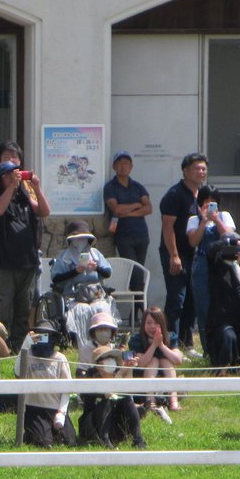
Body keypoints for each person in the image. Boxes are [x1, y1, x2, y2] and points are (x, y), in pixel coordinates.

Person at [0, 158, 49, 350]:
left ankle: (18, 346)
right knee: (3, 308)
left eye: (18, 173)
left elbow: (45, 211)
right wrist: (11, 187)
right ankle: (0, 345)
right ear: (2, 178)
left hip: (27, 264)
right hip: (5, 264)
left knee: (23, 308)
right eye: (11, 174)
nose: (17, 177)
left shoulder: (26, 200)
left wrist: (36, 187)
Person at [159, 152, 208, 351]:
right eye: (197, 168)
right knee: (176, 300)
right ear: (185, 171)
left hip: (195, 255)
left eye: (204, 168)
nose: (201, 172)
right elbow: (167, 227)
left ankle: (187, 343)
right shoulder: (174, 194)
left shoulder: (202, 195)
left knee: (192, 300)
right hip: (176, 254)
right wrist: (174, 255)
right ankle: (171, 343)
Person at [202, 235, 240, 373]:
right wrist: (230, 242)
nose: (232, 252)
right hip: (223, 320)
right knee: (229, 336)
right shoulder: (216, 268)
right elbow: (210, 250)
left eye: (235, 249)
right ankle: (223, 370)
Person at [186, 185, 235, 340]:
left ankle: (224, 341)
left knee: (224, 303)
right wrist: (204, 222)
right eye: (205, 201)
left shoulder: (225, 216)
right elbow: (193, 242)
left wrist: (216, 220)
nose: (209, 204)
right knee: (203, 306)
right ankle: (207, 346)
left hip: (222, 263)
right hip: (201, 263)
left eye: (212, 201)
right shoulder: (194, 219)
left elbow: (230, 237)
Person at [15, 322, 76, 447]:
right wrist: (25, 345)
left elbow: (67, 388)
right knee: (44, 443)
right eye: (40, 335)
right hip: (34, 408)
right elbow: (17, 373)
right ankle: (32, 432)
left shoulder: (60, 358)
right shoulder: (28, 355)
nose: (43, 338)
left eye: (46, 335)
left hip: (55, 408)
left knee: (70, 441)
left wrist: (62, 412)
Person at [79, 344, 146, 449]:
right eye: (105, 358)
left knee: (127, 399)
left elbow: (128, 391)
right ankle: (105, 441)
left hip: (115, 423)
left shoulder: (118, 373)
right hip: (95, 424)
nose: (110, 361)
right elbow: (88, 398)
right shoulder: (90, 375)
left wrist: (129, 369)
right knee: (106, 400)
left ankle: (138, 439)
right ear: (98, 363)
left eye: (112, 358)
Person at [102, 150, 152, 290]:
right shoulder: (110, 187)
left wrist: (128, 213)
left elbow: (148, 208)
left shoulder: (137, 187)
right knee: (134, 270)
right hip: (123, 236)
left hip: (141, 234)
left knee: (139, 271)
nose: (123, 166)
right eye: (119, 163)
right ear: (114, 166)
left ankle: (136, 309)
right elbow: (116, 210)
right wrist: (136, 205)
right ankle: (139, 307)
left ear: (131, 166)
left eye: (126, 163)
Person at [128, 306, 184, 414]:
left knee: (166, 361)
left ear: (162, 324)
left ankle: (173, 401)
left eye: (156, 323)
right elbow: (141, 363)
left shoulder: (170, 336)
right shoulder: (137, 340)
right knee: (153, 360)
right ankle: (151, 401)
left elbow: (178, 360)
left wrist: (162, 345)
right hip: (142, 379)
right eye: (148, 323)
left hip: (165, 377)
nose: (152, 326)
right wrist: (154, 345)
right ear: (143, 324)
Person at [52, 219, 111, 298]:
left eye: (84, 238)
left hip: (95, 294)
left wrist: (96, 268)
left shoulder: (95, 254)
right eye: (77, 238)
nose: (80, 241)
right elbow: (56, 279)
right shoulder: (64, 256)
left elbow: (108, 273)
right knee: (80, 309)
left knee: (101, 309)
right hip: (72, 295)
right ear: (71, 240)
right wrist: (75, 272)